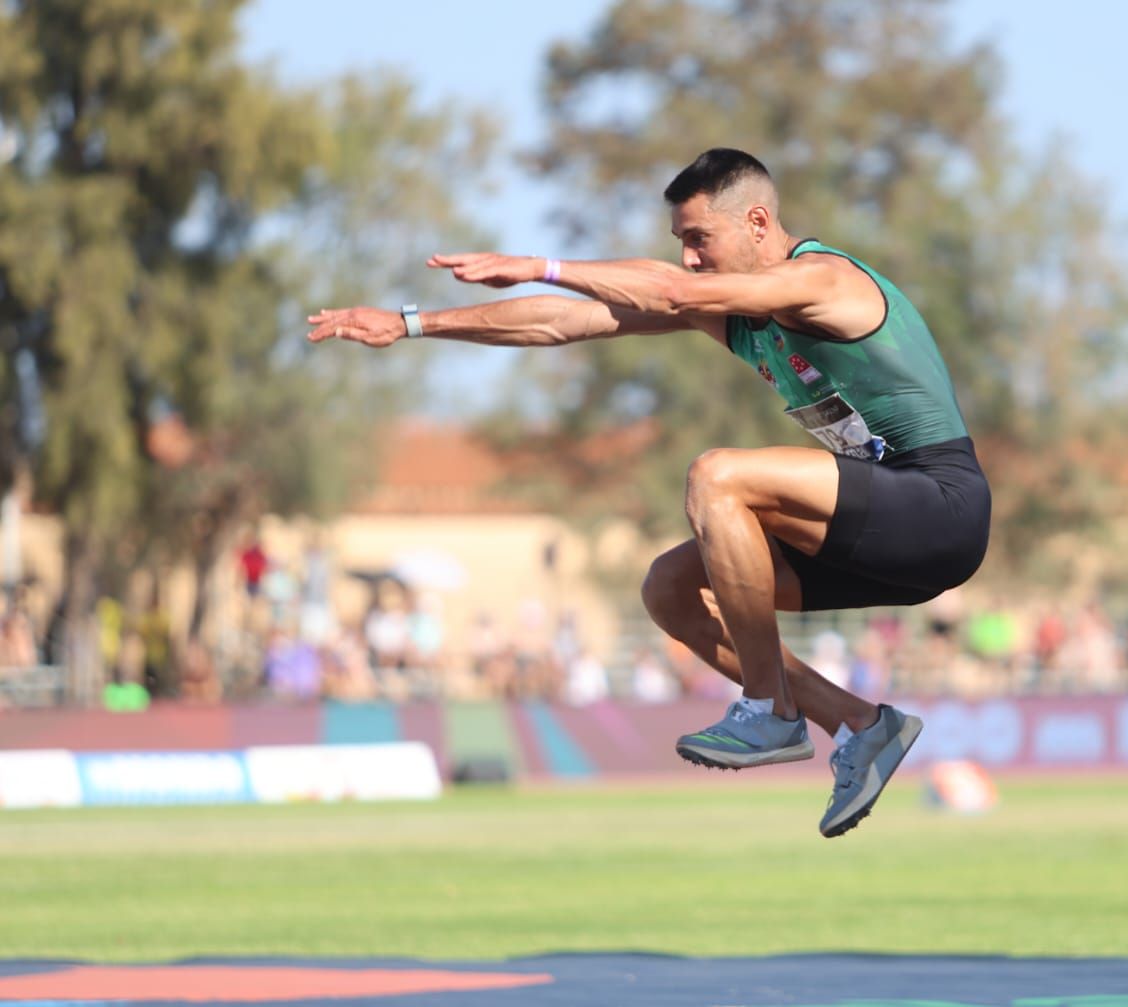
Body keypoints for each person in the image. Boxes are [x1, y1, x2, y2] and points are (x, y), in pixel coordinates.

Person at [307, 148, 990, 837]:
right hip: (878, 532)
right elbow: (566, 321)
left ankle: (770, 712)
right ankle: (857, 723)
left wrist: (544, 263)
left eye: (700, 238)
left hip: (939, 507)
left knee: (717, 474)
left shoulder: (823, 279)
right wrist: (414, 323)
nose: (691, 257)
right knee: (668, 589)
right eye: (681, 244)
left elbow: (671, 291)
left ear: (758, 221)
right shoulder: (738, 315)